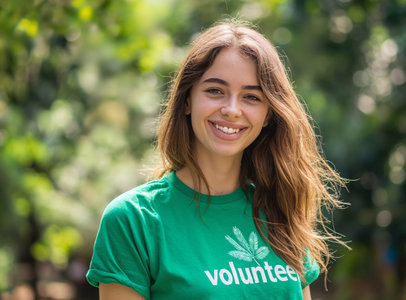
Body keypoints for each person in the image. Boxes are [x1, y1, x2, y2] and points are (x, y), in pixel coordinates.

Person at [86, 20, 348, 299]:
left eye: (251, 96)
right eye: (215, 91)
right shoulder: (133, 220)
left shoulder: (279, 211)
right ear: (187, 100)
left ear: (268, 114)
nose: (232, 110)